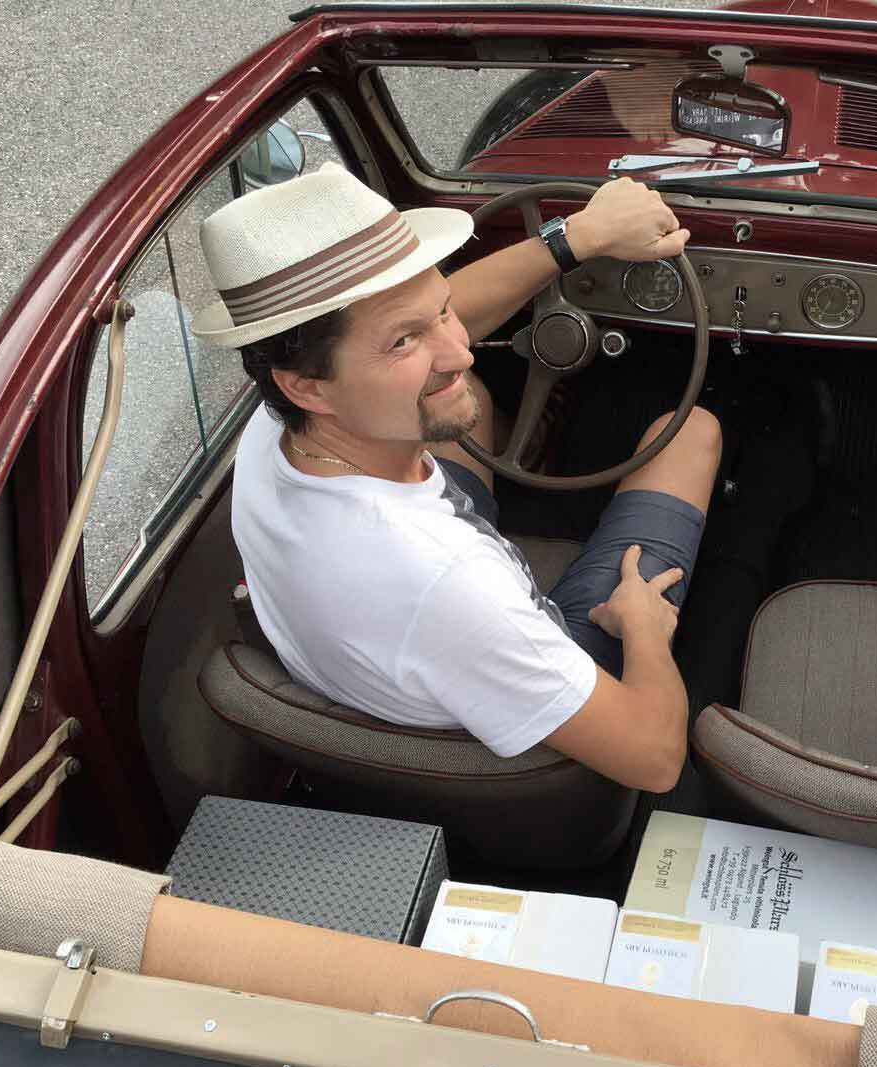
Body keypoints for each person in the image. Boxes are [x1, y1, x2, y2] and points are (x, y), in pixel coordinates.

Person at [192, 163, 719, 794]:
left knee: (460, 390)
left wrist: (576, 238)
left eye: (440, 313)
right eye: (404, 344)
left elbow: (432, 318)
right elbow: (655, 759)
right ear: (307, 385)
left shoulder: (273, 428)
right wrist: (643, 628)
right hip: (531, 665)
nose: (459, 347)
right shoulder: (446, 585)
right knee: (692, 432)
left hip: (411, 637)